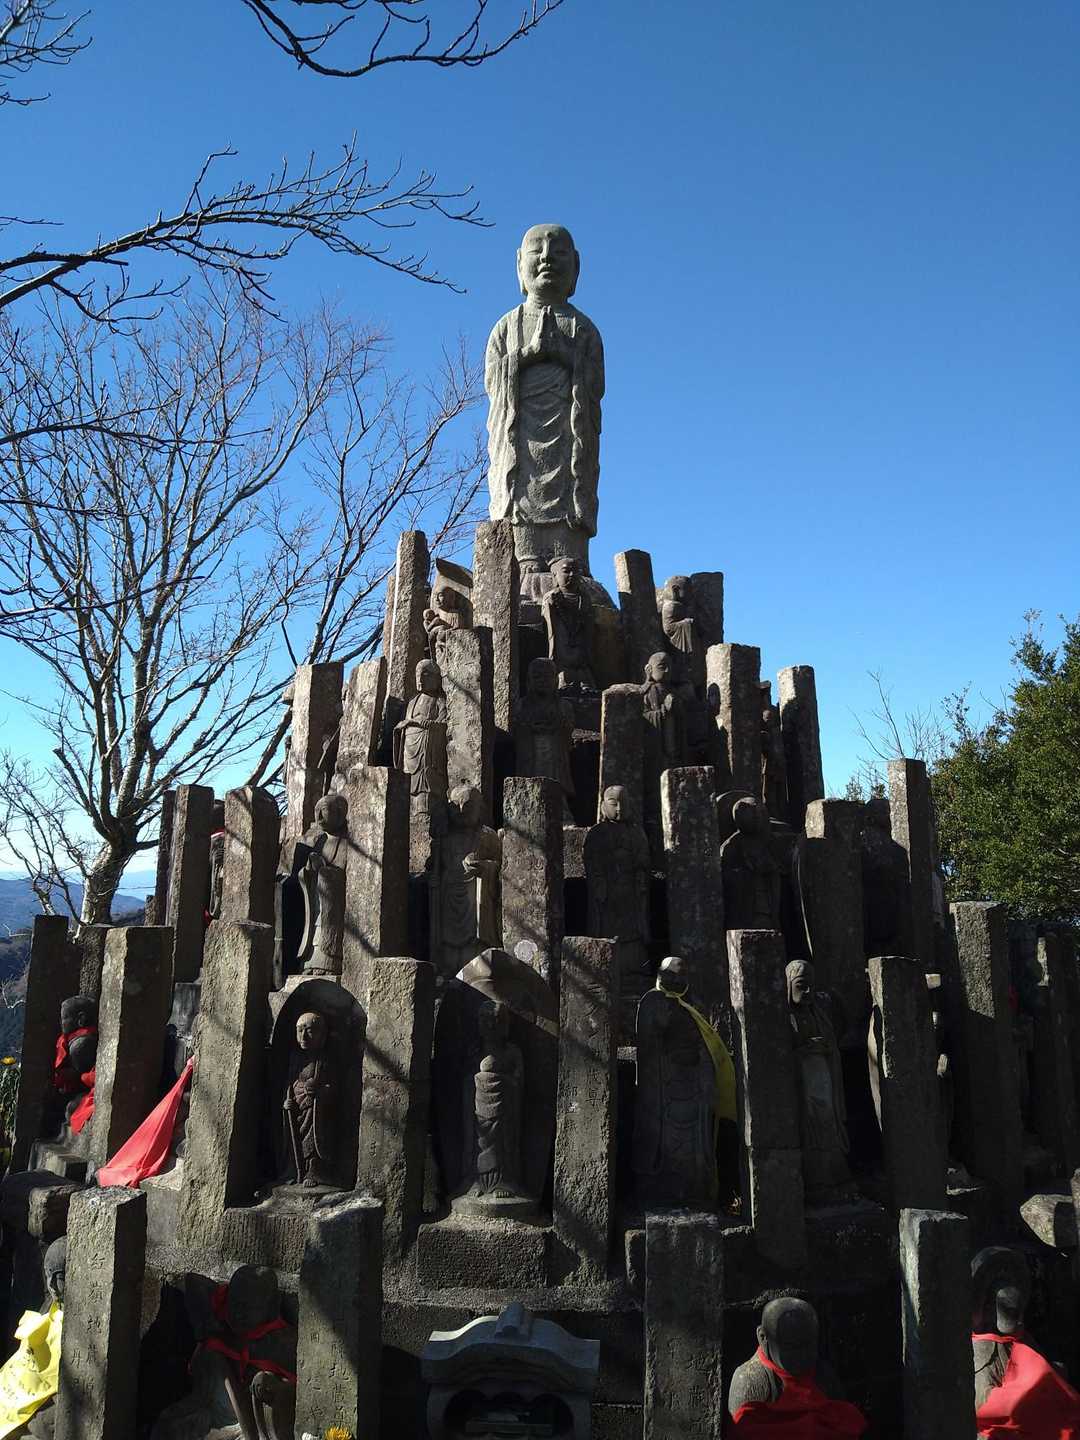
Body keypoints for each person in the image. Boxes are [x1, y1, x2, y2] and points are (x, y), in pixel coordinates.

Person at [485, 224, 604, 578]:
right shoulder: (506, 327)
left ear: (576, 267)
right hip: (520, 442)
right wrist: (529, 354)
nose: (547, 258)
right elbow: (492, 381)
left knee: (570, 497)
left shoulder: (584, 329)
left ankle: (569, 559)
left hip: (569, 444)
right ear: (519, 264)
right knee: (519, 500)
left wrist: (567, 355)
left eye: (559, 252)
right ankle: (523, 559)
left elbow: (595, 385)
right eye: (537, 250)